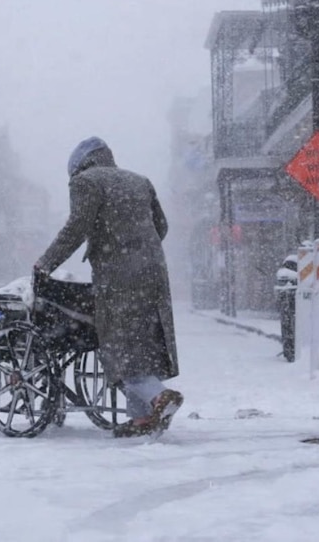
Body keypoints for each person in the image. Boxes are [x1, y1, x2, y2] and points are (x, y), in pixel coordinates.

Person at [34, 136, 182, 437]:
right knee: (144, 341)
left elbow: (77, 226)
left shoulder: (85, 182)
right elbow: (161, 226)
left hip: (119, 274)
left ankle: (157, 396)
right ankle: (141, 419)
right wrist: (141, 249)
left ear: (78, 166)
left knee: (118, 342)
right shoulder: (140, 180)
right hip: (153, 272)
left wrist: (46, 264)